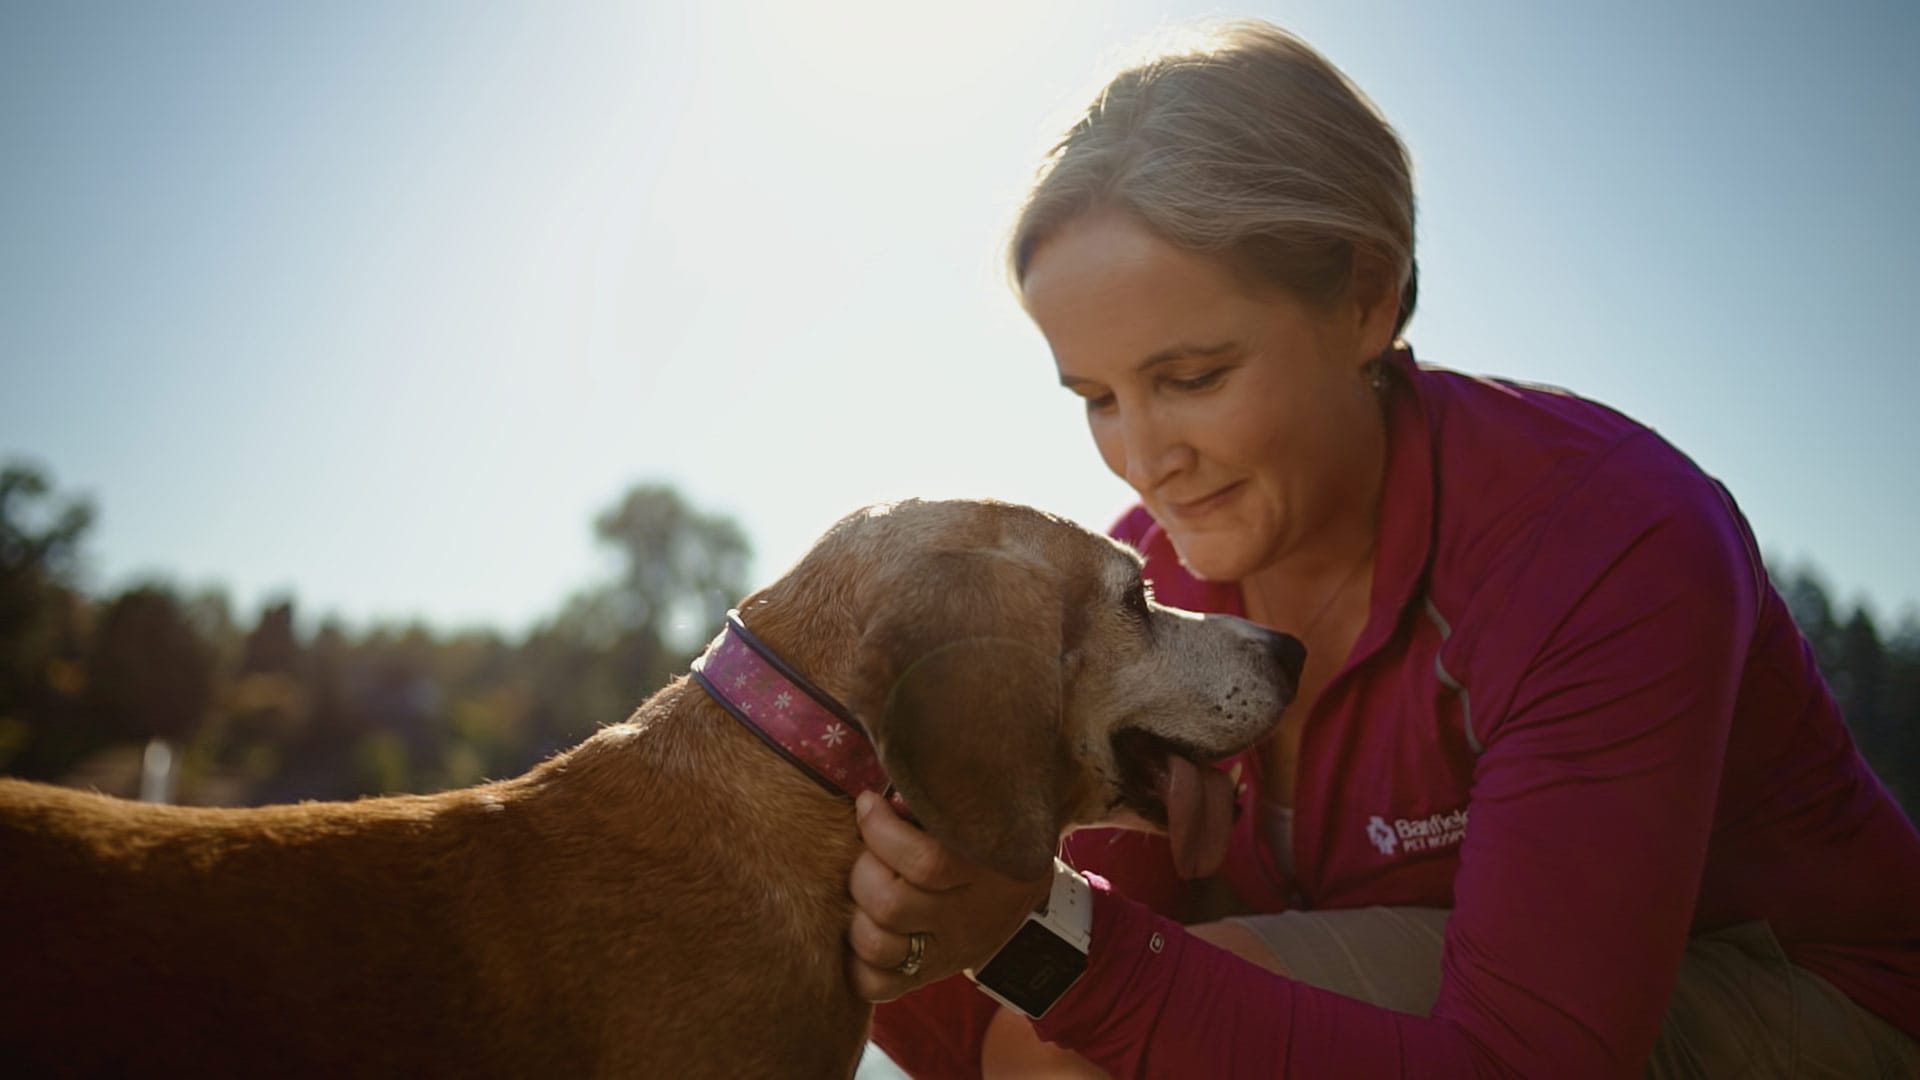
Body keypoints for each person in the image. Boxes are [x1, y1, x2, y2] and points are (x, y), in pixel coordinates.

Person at [841, 19, 1920, 1079]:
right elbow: (989, 1020)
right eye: (1097, 399)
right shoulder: (1145, 581)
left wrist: (1045, 946)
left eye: (1195, 377)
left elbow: (1527, 1060)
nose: (1145, 460)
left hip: (1796, 995)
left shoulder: (1600, 535)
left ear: (1365, 296)